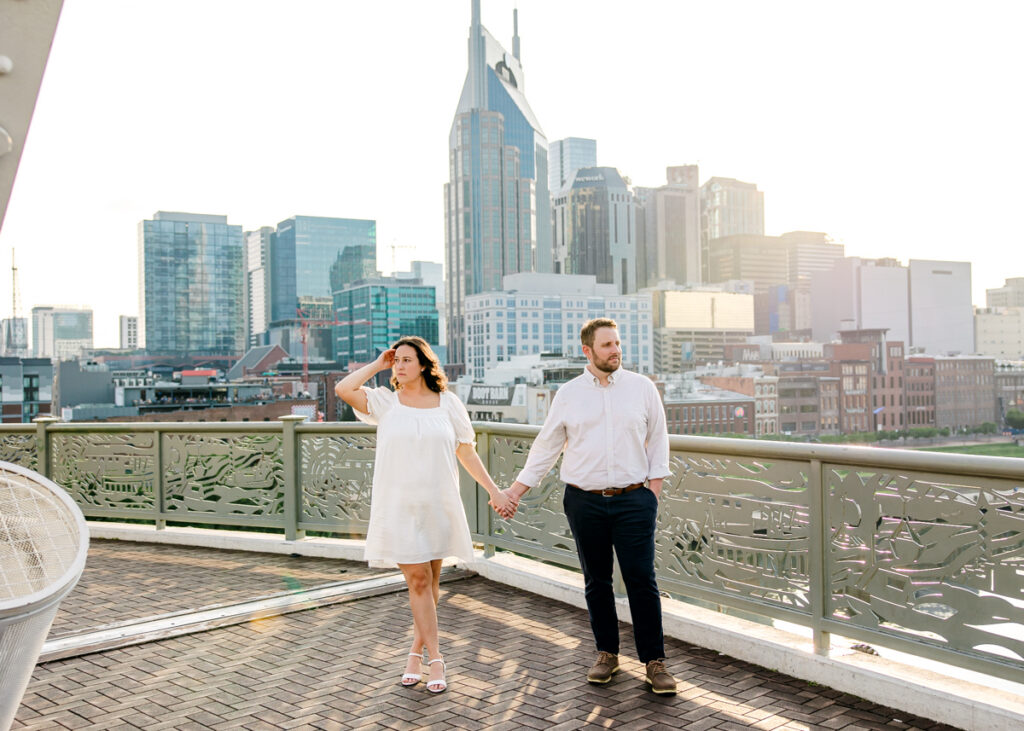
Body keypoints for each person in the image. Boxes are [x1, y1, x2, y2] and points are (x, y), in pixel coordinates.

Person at [497, 318, 677, 694]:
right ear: (588, 351)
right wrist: (515, 491)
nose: (615, 350)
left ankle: (654, 662)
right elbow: (545, 448)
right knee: (597, 582)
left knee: (642, 582)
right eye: (607, 345)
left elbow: (658, 442)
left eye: (617, 343)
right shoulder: (568, 394)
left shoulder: (642, 388)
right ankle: (607, 654)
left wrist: (651, 496)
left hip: (633, 500)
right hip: (584, 501)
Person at [335, 336, 510, 694]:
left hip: (438, 503)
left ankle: (414, 653)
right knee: (417, 581)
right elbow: (343, 388)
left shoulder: (448, 404)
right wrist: (377, 364)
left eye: (407, 360)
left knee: (430, 584)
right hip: (397, 507)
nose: (400, 365)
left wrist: (495, 491)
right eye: (396, 360)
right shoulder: (384, 402)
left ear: (424, 365)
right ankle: (437, 658)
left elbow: (467, 452)